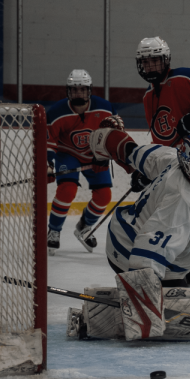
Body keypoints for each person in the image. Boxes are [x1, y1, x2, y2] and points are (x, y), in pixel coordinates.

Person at [82, 118, 190, 341]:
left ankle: (187, 272)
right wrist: (143, 314)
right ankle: (110, 315)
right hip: (129, 249)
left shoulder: (172, 157)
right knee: (181, 310)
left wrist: (108, 138)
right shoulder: (181, 204)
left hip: (128, 228)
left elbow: (134, 152)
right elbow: (146, 256)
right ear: (185, 162)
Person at [45, 70, 116, 255]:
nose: (78, 94)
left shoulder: (105, 108)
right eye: (74, 90)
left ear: (89, 90)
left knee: (104, 196)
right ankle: (54, 230)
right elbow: (48, 142)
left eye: (82, 90)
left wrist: (105, 156)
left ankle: (85, 226)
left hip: (95, 155)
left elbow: (114, 135)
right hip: (67, 154)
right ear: (68, 91)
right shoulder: (57, 112)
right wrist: (48, 165)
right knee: (67, 190)